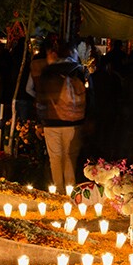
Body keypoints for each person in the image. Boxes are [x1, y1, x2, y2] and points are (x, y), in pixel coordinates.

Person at [38, 39, 90, 194]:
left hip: (51, 121)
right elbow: (90, 95)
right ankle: (71, 192)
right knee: (70, 157)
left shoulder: (47, 71)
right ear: (73, 53)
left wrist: (40, 122)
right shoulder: (78, 70)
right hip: (74, 122)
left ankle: (58, 191)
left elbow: (40, 99)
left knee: (55, 158)